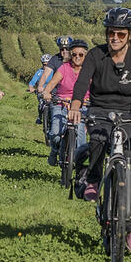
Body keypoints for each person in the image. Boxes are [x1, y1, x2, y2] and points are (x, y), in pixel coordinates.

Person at [68, 7, 131, 255]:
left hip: (130, 116)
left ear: (129, 35)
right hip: (100, 111)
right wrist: (76, 107)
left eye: (121, 34)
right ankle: (93, 177)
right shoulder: (94, 55)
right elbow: (81, 84)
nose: (115, 38)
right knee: (98, 142)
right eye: (111, 33)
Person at [36, 38, 90, 167]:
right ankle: (55, 150)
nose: (77, 57)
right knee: (54, 134)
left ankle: (80, 170)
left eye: (81, 55)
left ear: (85, 56)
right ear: (70, 55)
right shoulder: (64, 68)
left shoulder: (89, 70)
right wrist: (47, 92)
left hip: (82, 106)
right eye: (74, 54)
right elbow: (52, 83)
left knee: (81, 140)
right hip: (62, 103)